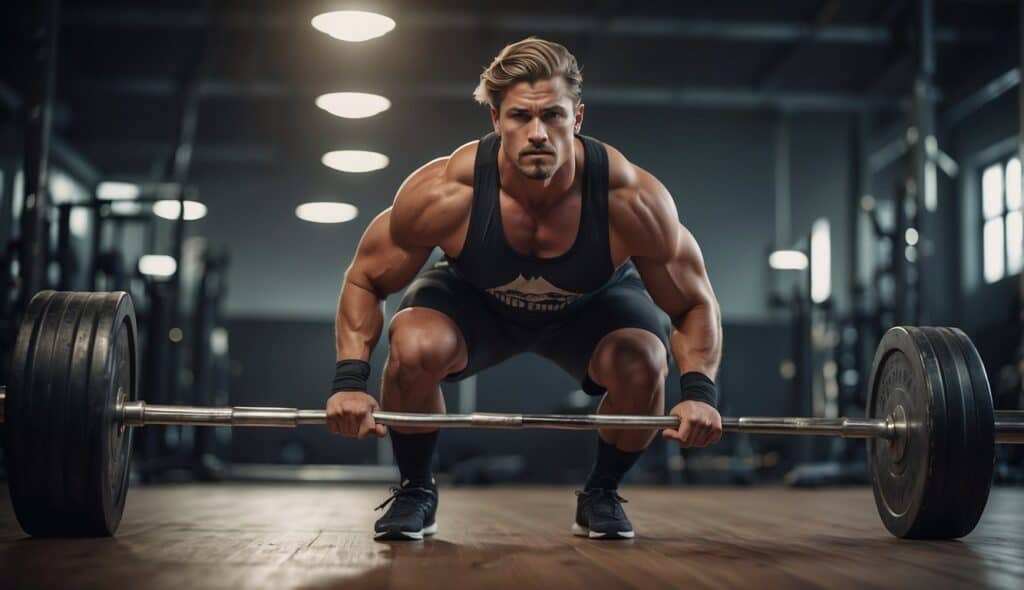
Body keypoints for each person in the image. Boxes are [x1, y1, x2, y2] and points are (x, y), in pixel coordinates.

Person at [326, 37, 723, 541]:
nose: (537, 133)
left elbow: (691, 303)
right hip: (475, 302)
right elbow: (366, 277)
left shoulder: (631, 200)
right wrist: (349, 382)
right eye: (519, 117)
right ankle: (416, 490)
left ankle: (602, 491)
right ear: (495, 120)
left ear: (577, 118)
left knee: (644, 361)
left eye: (553, 116)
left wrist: (699, 394)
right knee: (413, 346)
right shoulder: (446, 193)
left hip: (590, 307)